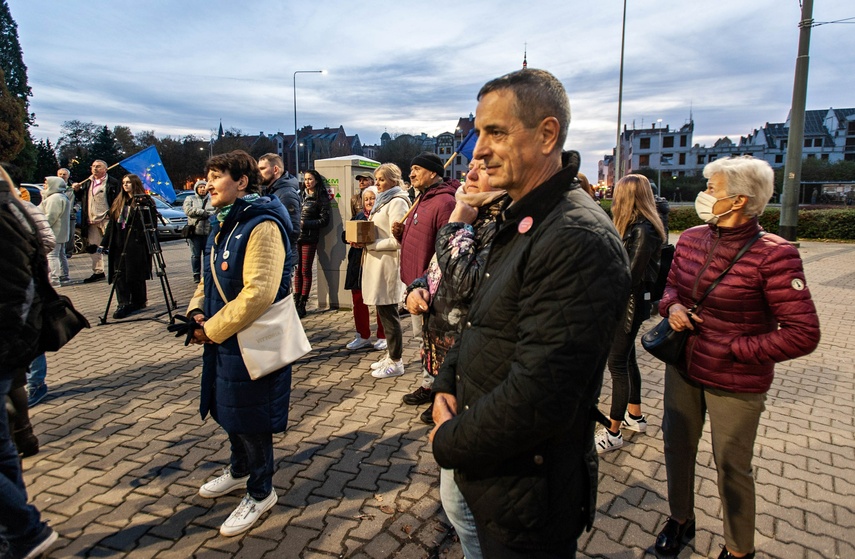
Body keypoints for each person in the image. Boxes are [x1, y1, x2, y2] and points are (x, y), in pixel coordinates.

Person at [430, 69, 630, 557]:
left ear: (547, 135)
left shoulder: (576, 235)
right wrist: (444, 385)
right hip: (494, 469)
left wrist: (447, 440)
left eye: (495, 132)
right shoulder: (524, 216)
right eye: (478, 132)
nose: (477, 150)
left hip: (527, 493)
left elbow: (540, 394)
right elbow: (480, 319)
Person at [654, 156, 820, 559]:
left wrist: (738, 348)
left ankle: (738, 547)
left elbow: (804, 333)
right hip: (684, 365)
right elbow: (671, 288)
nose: (704, 194)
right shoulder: (692, 237)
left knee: (732, 464)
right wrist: (672, 308)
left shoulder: (774, 255)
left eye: (713, 189)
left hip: (737, 379)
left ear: (739, 200)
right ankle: (680, 519)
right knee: (677, 447)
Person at [187, 150, 294, 537]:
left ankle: (261, 490)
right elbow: (208, 276)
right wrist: (197, 311)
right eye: (209, 175)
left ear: (242, 182)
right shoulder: (225, 221)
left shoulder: (260, 225)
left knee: (251, 417)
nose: (209, 182)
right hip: (225, 335)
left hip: (250, 338)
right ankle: (238, 470)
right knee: (227, 408)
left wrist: (212, 328)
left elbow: (260, 292)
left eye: (217, 175)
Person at [0, 166, 60, 558]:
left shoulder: (8, 216)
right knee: (2, 446)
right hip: (13, 337)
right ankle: (18, 530)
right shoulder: (14, 210)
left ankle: (23, 527)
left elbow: (15, 286)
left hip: (8, 337)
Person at [595, 174, 664, 453]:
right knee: (627, 359)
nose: (612, 197)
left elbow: (629, 276)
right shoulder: (637, 226)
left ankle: (612, 432)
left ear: (627, 196)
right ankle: (634, 415)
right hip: (629, 303)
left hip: (627, 304)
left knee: (617, 365)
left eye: (616, 192)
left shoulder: (642, 229)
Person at [393, 152, 455, 402]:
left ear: (433, 172)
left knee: (435, 340)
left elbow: (446, 250)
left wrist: (428, 284)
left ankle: (438, 390)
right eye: (411, 168)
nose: (411, 173)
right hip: (415, 284)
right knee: (422, 337)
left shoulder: (444, 203)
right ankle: (431, 384)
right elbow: (421, 240)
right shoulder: (421, 199)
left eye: (417, 168)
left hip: (432, 288)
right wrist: (401, 234)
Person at [362, 163, 411, 379]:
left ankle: (397, 360)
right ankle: (391, 354)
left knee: (389, 314)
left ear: (393, 179)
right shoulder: (383, 201)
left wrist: (373, 245)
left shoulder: (397, 202)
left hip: (387, 264)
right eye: (377, 179)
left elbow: (398, 240)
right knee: (382, 311)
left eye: (381, 179)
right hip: (377, 262)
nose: (377, 183)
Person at [100, 174, 156, 320]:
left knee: (134, 273)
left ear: (135, 184)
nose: (125, 185)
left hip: (135, 244)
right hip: (119, 243)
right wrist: (104, 243)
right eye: (124, 183)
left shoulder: (143, 201)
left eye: (129, 183)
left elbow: (151, 224)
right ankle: (123, 302)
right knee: (119, 273)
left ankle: (138, 301)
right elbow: (112, 225)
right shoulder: (119, 201)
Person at [342, 186, 387, 351]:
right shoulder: (359, 216)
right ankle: (362, 336)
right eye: (366, 198)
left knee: (380, 301)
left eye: (372, 198)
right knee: (358, 300)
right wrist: (351, 238)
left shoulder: (382, 217)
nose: (369, 201)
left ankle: (383, 336)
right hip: (357, 266)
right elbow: (344, 235)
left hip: (375, 264)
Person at [73, 159, 121, 283]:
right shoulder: (87, 183)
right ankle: (98, 271)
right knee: (94, 248)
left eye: (98, 166)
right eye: (93, 166)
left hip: (107, 219)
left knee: (114, 245)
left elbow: (118, 200)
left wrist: (113, 216)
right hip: (91, 220)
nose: (95, 169)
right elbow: (81, 199)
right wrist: (77, 190)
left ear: (105, 169)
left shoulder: (113, 183)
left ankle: (117, 270)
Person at [294, 169, 331, 317]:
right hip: (296, 237)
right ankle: (295, 301)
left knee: (305, 271)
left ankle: (303, 304)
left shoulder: (321, 198)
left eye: (310, 179)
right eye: (305, 179)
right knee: (297, 271)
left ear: (316, 180)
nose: (307, 182)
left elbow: (324, 220)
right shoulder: (299, 195)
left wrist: (306, 223)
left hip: (309, 238)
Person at [259, 153, 301, 251]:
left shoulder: (287, 194)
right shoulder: (270, 191)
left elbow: (293, 230)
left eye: (262, 169)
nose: (258, 173)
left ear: (275, 170)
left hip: (282, 255)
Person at [39, 176, 71, 287]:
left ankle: (54, 279)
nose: (44, 186)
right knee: (61, 254)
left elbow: (50, 216)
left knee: (52, 256)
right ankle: (64, 275)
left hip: (54, 232)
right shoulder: (61, 196)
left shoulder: (54, 198)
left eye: (46, 183)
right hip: (60, 232)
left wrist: (42, 227)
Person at [183, 179, 215, 283]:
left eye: (203, 187)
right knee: (195, 255)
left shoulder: (212, 199)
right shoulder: (190, 198)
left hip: (208, 232)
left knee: (208, 254)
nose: (202, 189)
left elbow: (216, 211)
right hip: (195, 232)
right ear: (196, 188)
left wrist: (208, 214)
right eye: (200, 187)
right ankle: (196, 274)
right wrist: (202, 212)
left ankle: (207, 274)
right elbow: (188, 210)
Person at [58, 167, 77, 259]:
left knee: (70, 234)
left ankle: (68, 252)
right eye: (60, 174)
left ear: (68, 176)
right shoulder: (53, 186)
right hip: (58, 214)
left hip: (70, 214)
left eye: (64, 174)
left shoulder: (74, 187)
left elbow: (80, 199)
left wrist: (75, 209)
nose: (62, 176)